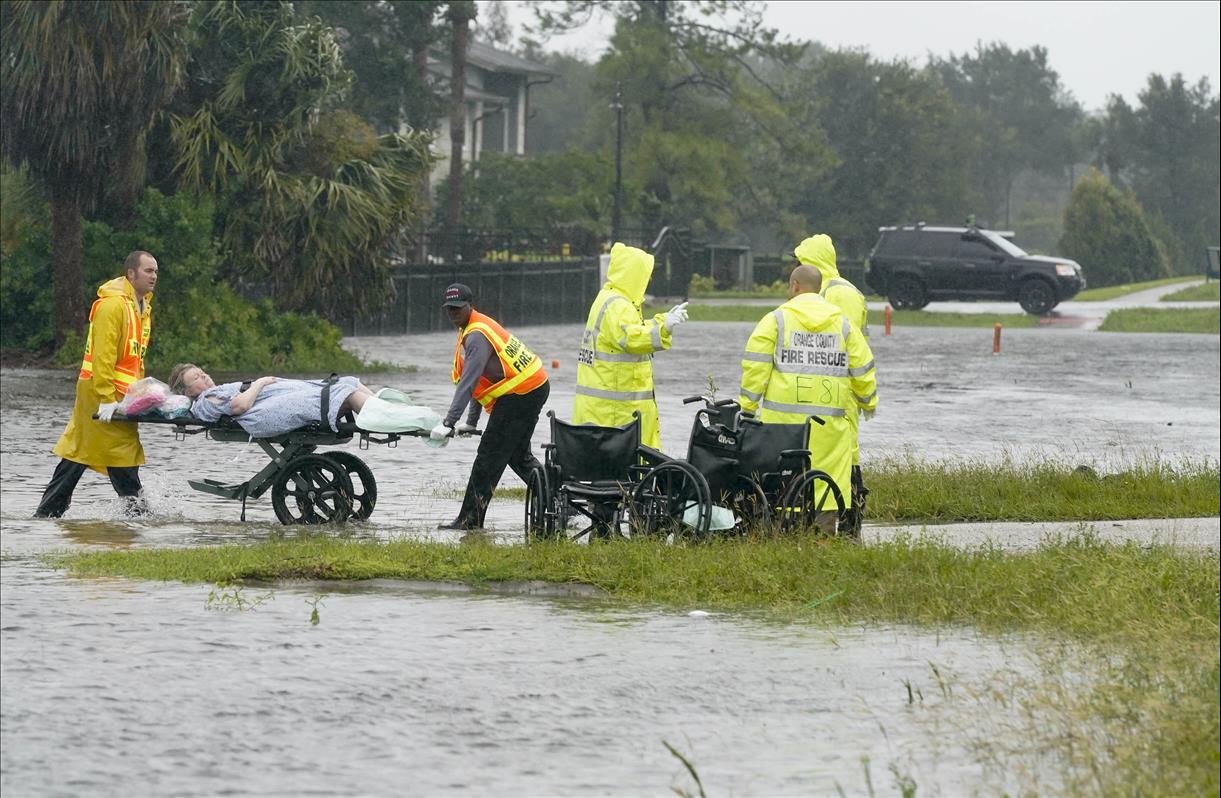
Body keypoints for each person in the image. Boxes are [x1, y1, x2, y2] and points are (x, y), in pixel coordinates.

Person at [737, 264, 877, 529]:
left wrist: (747, 408)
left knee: (783, 485)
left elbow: (756, 366)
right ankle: (823, 538)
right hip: (829, 429)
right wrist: (868, 402)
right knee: (827, 484)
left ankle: (785, 536)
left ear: (794, 286)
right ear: (819, 289)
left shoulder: (776, 320)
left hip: (782, 427)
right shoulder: (843, 325)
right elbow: (863, 368)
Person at [34, 251, 158, 517]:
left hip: (122, 395)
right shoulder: (113, 306)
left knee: (83, 453)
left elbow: (134, 359)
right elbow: (103, 357)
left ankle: (47, 514)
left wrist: (141, 394)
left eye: (155, 271)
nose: (154, 276)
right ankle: (139, 518)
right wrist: (106, 398)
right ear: (131, 274)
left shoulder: (142, 308)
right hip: (100, 393)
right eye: (148, 270)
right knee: (112, 454)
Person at [432, 283, 550, 530]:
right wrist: (471, 422)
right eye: (449, 309)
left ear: (470, 306)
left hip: (522, 393)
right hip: (531, 387)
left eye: (458, 308)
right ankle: (557, 500)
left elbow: (468, 382)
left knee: (488, 456)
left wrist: (449, 422)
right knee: (517, 455)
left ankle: (469, 521)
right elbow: (482, 383)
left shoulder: (476, 335)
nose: (453, 313)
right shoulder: (473, 327)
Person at [572, 242, 688, 449]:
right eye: (645, 274)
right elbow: (631, 338)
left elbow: (631, 329)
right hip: (616, 412)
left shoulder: (609, 298)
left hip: (603, 408)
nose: (649, 280)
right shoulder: (619, 305)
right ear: (634, 274)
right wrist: (663, 330)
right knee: (627, 459)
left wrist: (662, 320)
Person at [794, 233, 872, 524]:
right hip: (823, 391)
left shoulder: (841, 293)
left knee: (847, 456)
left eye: (801, 261)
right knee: (823, 456)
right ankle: (823, 521)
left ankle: (851, 525)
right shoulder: (821, 291)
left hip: (842, 392)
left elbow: (847, 345)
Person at [168, 364, 435, 439]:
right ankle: (398, 417)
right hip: (260, 414)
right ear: (187, 392)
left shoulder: (214, 391)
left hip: (270, 399)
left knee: (346, 382)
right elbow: (239, 406)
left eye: (202, 372)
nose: (204, 377)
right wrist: (260, 383)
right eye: (196, 378)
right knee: (342, 392)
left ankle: (387, 409)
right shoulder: (205, 401)